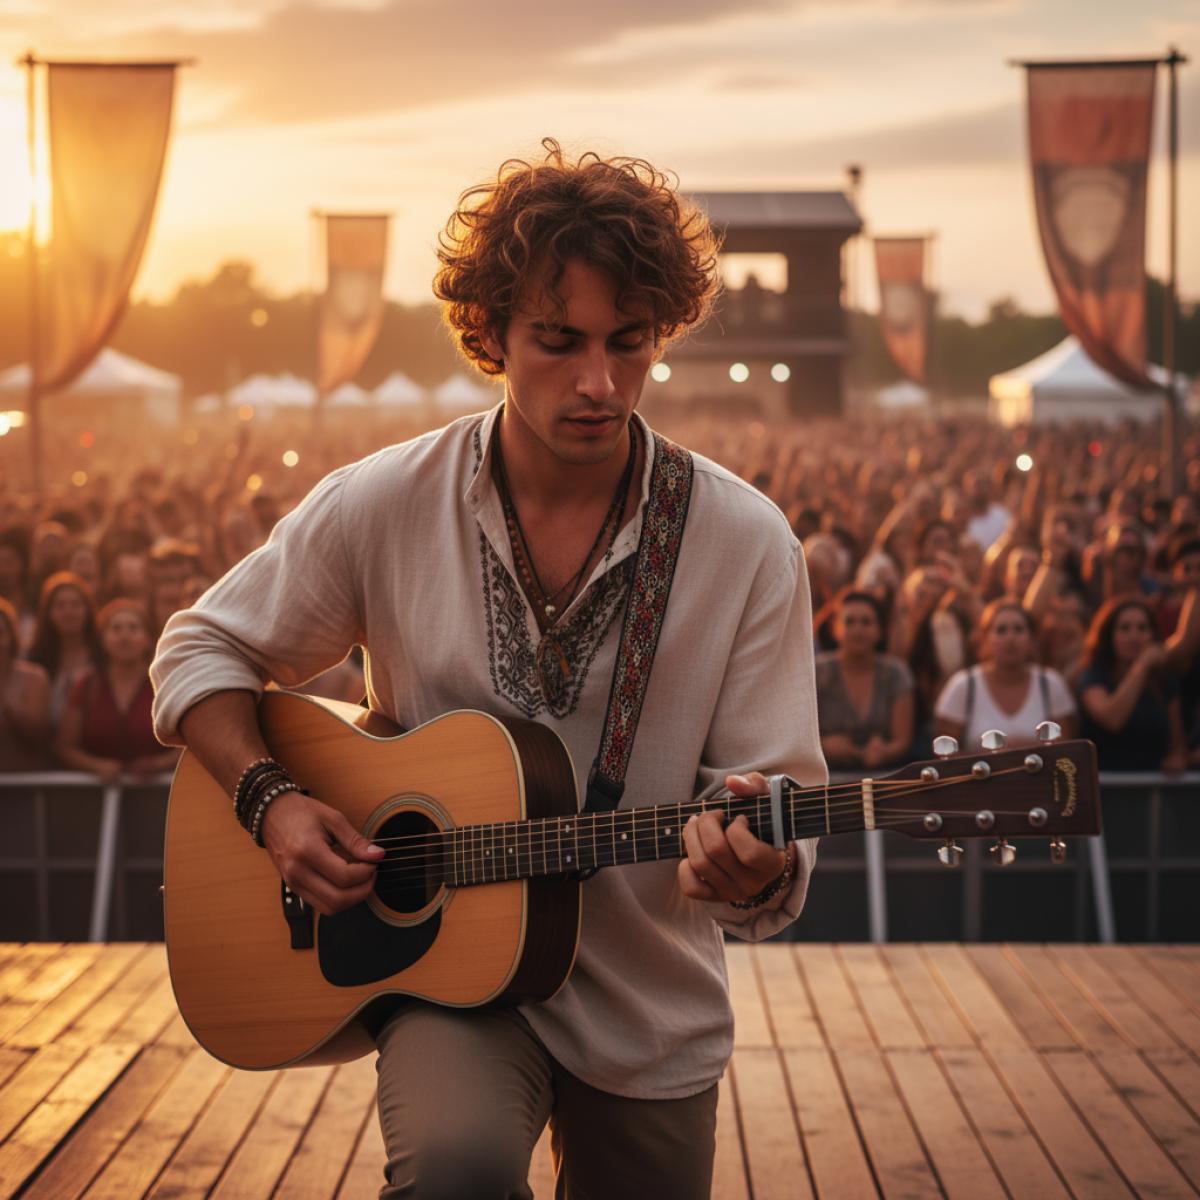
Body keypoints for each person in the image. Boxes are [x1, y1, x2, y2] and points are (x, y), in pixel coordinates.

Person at [150, 141, 825, 1200]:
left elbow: (777, 787)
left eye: (628, 344)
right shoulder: (383, 502)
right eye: (558, 342)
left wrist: (754, 859)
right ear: (492, 333)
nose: (598, 382)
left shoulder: (745, 541)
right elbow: (198, 647)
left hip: (652, 998)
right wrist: (273, 803)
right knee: (452, 1172)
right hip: (452, 991)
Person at [57, 599, 178, 782]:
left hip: (157, 797)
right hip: (96, 798)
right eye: (116, 628)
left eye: (133, 628)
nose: (125, 636)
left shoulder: (166, 684)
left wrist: (157, 765)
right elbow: (64, 747)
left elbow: (190, 745)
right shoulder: (86, 685)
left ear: (148, 639)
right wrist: (96, 766)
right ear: (103, 639)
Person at [934, 599, 1076, 750]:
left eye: (1019, 629)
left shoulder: (1050, 683)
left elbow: (1065, 750)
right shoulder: (962, 685)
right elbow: (946, 756)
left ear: (1032, 639)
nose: (1010, 638)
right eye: (1001, 630)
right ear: (985, 638)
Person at [1078, 596, 1188, 773]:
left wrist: (1177, 759)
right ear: (1109, 636)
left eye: (1142, 628)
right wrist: (1142, 665)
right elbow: (1112, 719)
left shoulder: (1164, 681)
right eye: (1125, 628)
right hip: (1105, 788)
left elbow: (1177, 746)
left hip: (1152, 790)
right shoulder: (1093, 676)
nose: (1134, 636)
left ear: (1152, 634)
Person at [816, 589, 914, 769]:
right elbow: (796, 737)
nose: (858, 630)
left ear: (880, 630)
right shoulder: (815, 673)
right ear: (835, 627)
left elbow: (902, 741)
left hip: (884, 777)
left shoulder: (896, 673)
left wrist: (884, 751)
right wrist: (822, 746)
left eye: (866, 622)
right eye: (849, 621)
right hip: (827, 780)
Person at [26, 572, 103, 736]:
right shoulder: (35, 659)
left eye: (75, 605)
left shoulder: (103, 655)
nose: (68, 612)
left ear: (87, 610)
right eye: (60, 606)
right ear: (48, 613)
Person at [0, 597, 51, 770]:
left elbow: (40, 737)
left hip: (25, 784)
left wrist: (10, 710)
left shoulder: (35, 677)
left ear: (11, 635)